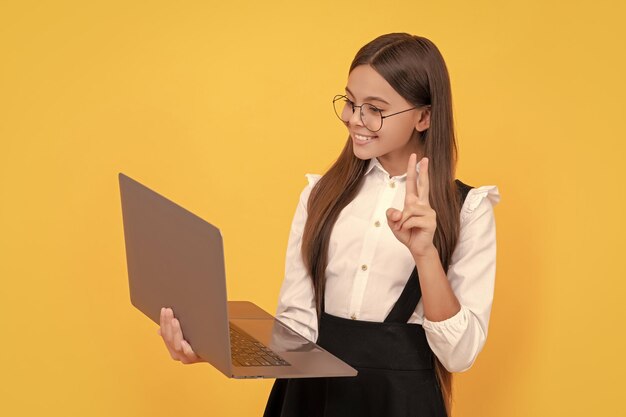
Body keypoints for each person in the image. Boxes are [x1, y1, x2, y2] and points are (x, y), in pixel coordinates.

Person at [158, 32, 500, 417]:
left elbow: (460, 353)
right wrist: (209, 347)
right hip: (309, 399)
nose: (354, 119)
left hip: (401, 403)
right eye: (351, 103)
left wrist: (425, 255)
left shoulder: (467, 210)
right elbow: (297, 330)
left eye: (375, 109)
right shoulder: (320, 196)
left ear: (424, 116)